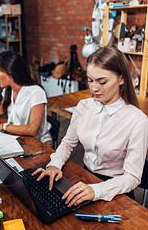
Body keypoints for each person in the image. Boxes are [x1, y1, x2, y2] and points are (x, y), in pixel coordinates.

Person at [33, 46, 148, 206]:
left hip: (116, 190)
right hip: (84, 178)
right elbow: (67, 143)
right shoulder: (83, 106)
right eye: (90, 80)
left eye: (102, 82)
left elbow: (133, 177)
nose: (94, 88)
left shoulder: (137, 120)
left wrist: (98, 190)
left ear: (121, 79)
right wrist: (54, 164)